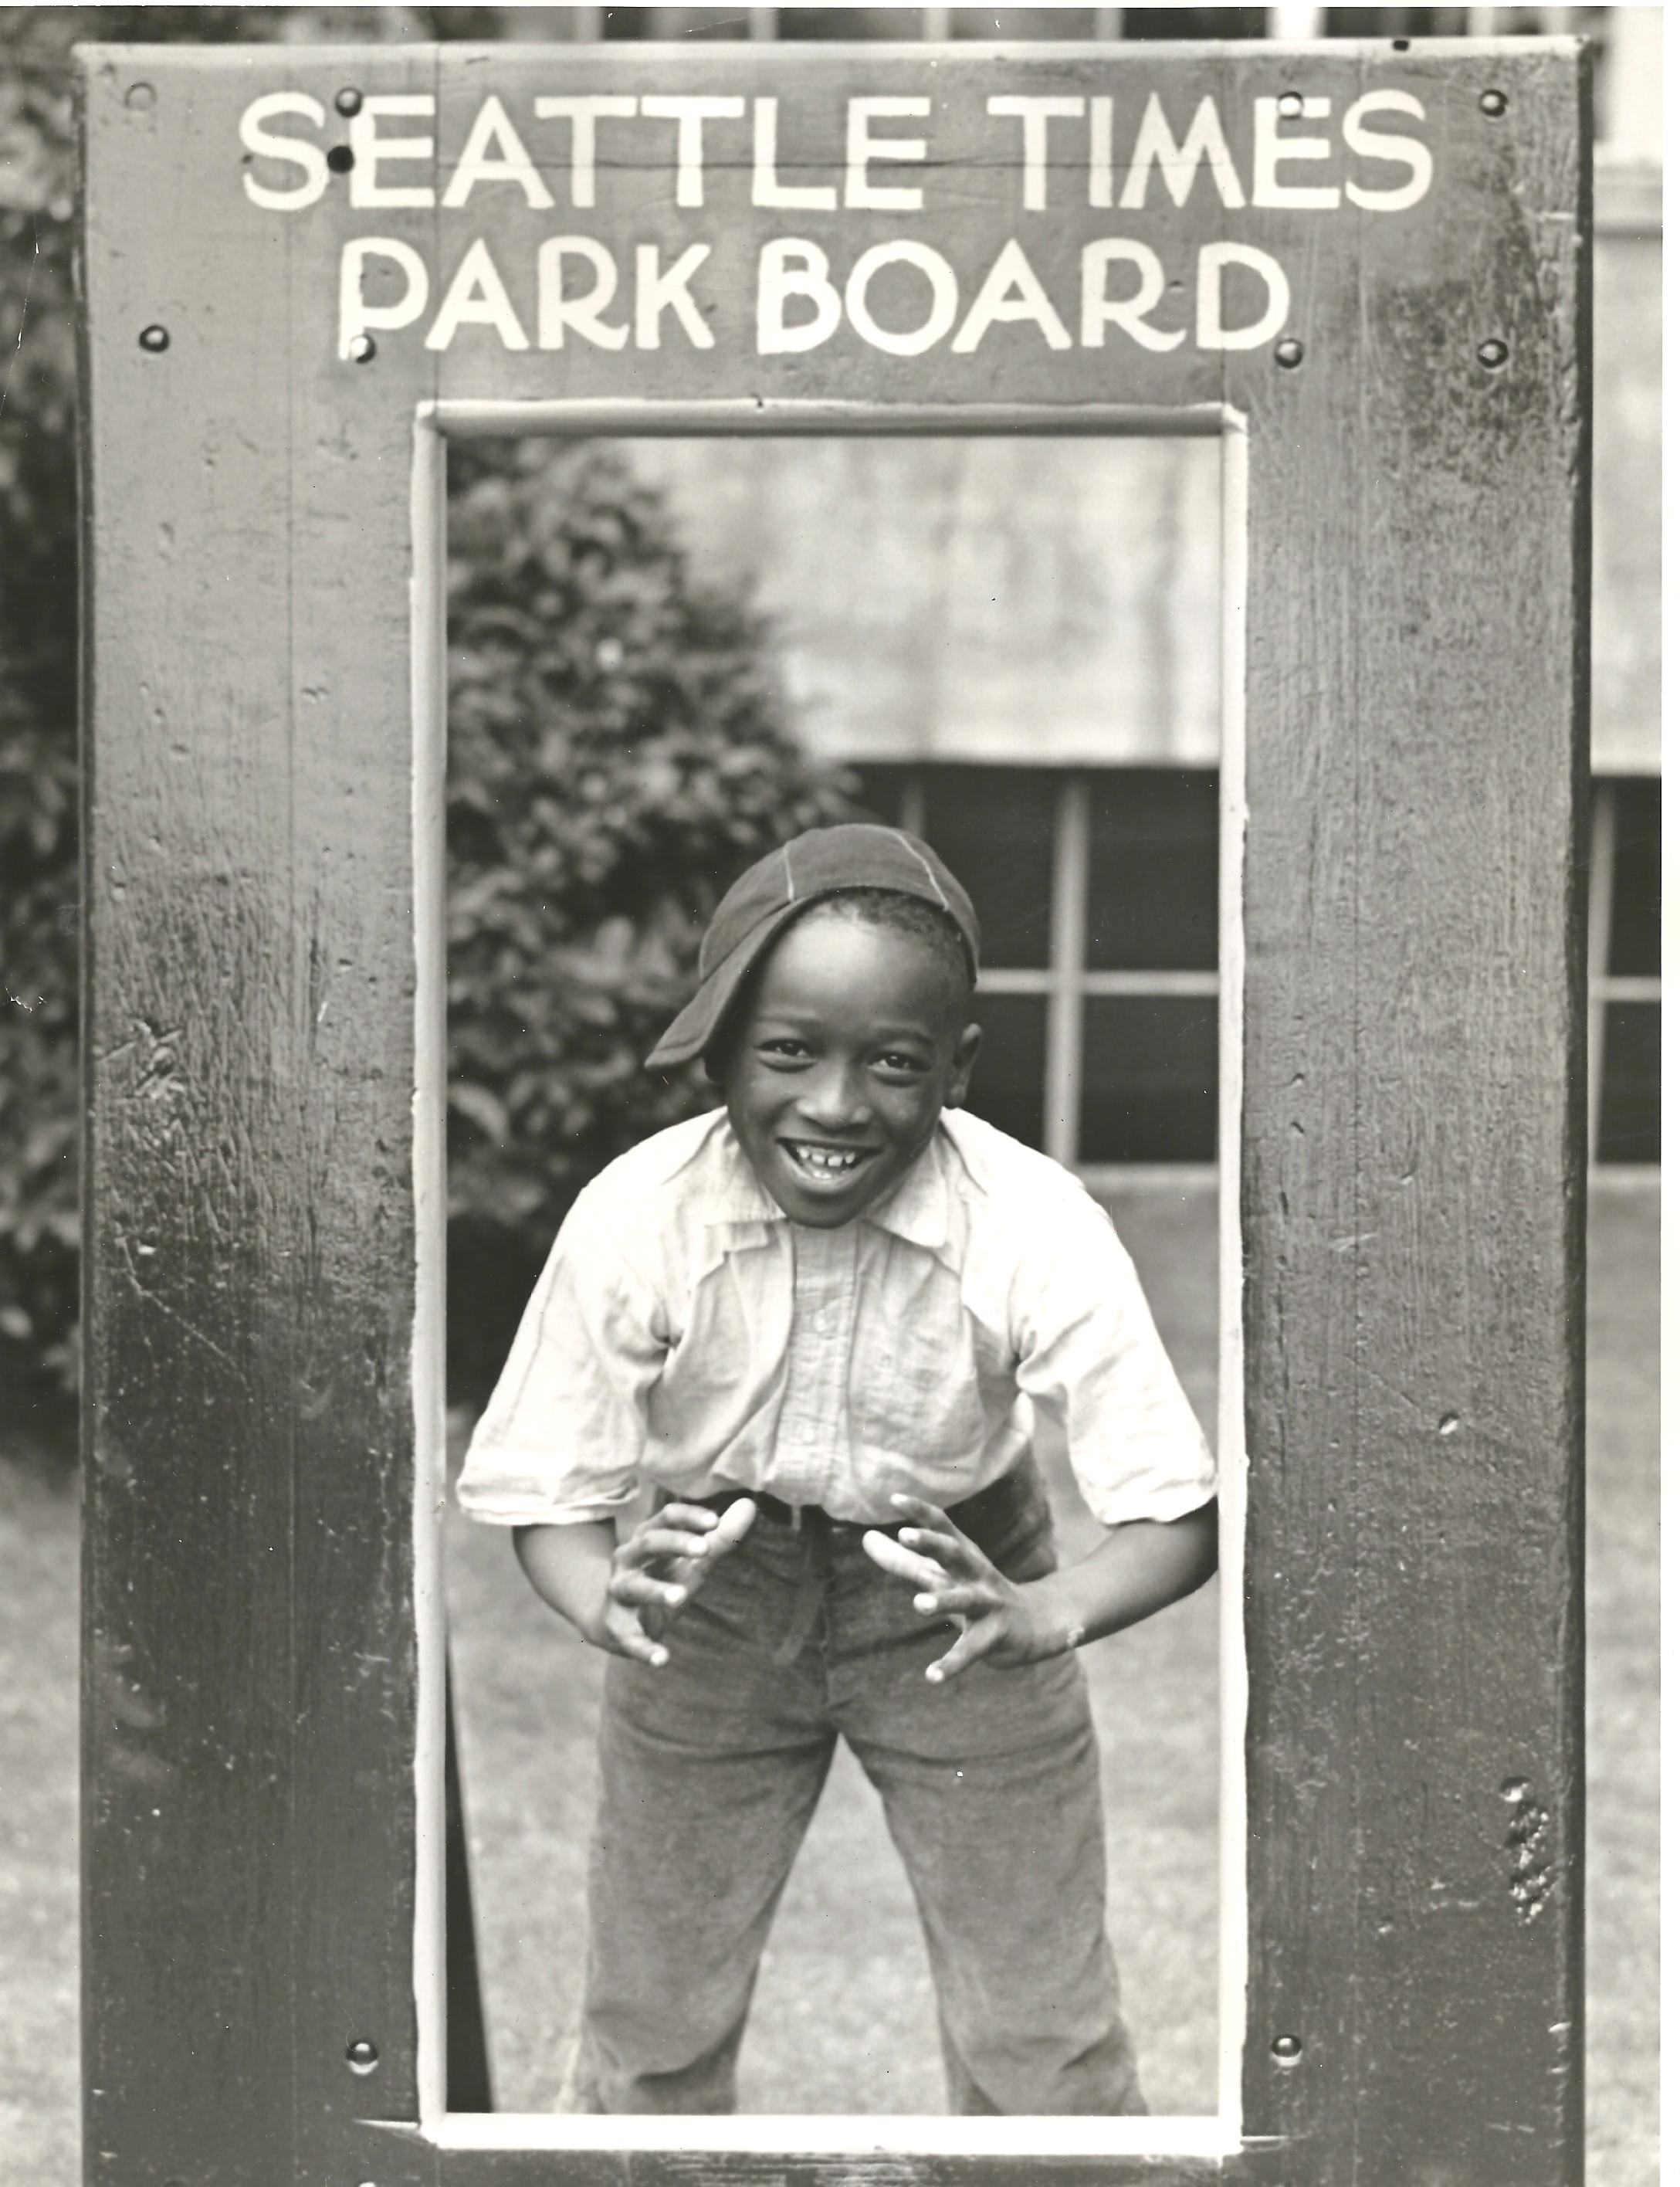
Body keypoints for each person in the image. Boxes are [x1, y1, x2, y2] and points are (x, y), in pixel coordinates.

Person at [456, 822, 1218, 2116]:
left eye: (895, 1063)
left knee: (1044, 2037)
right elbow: (547, 1493)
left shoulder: (1033, 1224)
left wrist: (1044, 1613)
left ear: (958, 1067)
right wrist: (599, 1592)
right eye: (788, 1052)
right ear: (718, 1051)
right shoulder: (641, 1216)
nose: (835, 1105)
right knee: (652, 2020)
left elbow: (1175, 1516)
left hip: (958, 1595)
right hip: (710, 1601)